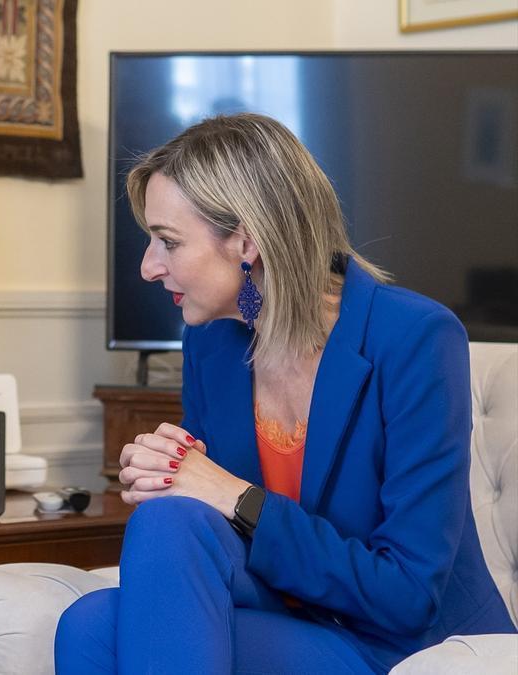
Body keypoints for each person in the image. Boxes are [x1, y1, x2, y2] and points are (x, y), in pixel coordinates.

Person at [54, 113, 516, 674]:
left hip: (400, 641)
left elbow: (407, 592)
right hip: (292, 613)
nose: (149, 267)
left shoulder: (416, 338)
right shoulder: (211, 341)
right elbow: (213, 527)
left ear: (246, 240)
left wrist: (234, 494)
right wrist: (168, 475)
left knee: (101, 624)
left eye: (168, 242)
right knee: (100, 608)